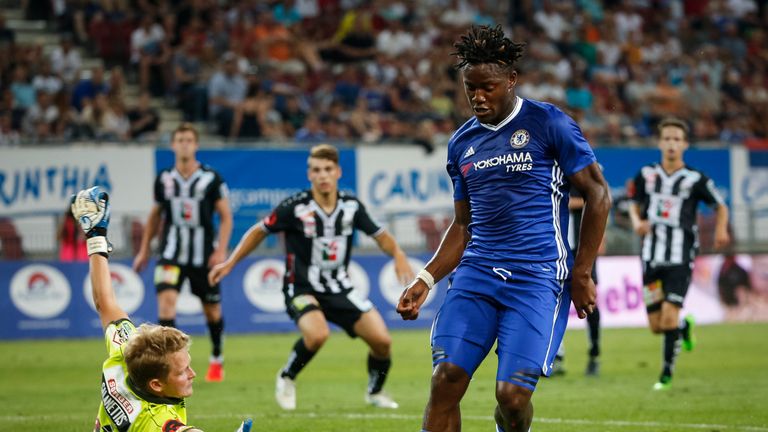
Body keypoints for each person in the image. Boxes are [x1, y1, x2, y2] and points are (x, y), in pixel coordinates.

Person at [396, 25, 611, 432]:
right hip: (477, 273)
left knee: (511, 399)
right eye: (470, 88)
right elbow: (462, 225)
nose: (478, 97)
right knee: (446, 381)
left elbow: (598, 194)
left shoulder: (550, 123)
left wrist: (581, 273)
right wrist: (425, 278)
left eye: (487, 87)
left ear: (511, 80)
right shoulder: (461, 144)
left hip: (537, 276)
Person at [209, 143, 414, 411]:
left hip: (340, 288)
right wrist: (231, 262)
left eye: (328, 169)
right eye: (316, 170)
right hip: (300, 287)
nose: (323, 175)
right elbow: (260, 231)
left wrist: (398, 254)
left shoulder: (351, 207)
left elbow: (380, 235)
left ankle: (375, 392)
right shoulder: (294, 207)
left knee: (382, 342)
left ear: (338, 172)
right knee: (318, 334)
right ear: (309, 175)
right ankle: (287, 376)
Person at [71, 186, 251, 432]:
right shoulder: (153, 422)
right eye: (182, 371)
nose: (193, 373)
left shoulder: (125, 354)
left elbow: (105, 301)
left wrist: (95, 235)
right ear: (156, 385)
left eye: (187, 366)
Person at [629, 117, 730, 391]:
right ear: (660, 142)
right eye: (667, 138)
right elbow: (633, 205)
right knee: (656, 325)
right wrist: (638, 223)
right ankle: (684, 328)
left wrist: (721, 231)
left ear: (684, 144)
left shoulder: (695, 179)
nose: (672, 143)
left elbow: (720, 206)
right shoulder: (646, 174)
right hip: (651, 257)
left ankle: (665, 376)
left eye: (677, 139)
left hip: (680, 258)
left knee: (669, 316)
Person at [133, 123, 233, 383]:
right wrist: (144, 251)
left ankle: (217, 357)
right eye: (180, 139)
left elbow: (226, 217)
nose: (185, 144)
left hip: (204, 256)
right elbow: (155, 216)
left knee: (212, 310)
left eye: (189, 139)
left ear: (196, 145)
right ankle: (171, 363)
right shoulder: (164, 179)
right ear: (173, 145)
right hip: (171, 254)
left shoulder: (212, 179)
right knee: (166, 304)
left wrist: (220, 251)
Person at [551, 185, 604, 377]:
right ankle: (556, 356)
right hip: (555, 251)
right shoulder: (548, 166)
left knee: (589, 303)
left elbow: (599, 198)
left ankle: (594, 353)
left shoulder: (585, 168)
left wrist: (564, 202)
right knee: (551, 301)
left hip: (582, 252)